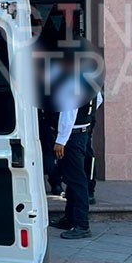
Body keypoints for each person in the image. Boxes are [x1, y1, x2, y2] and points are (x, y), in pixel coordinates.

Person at [50, 89, 103, 238]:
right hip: (81, 134)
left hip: (71, 137)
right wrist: (85, 118)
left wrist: (61, 140)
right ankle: (70, 218)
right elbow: (98, 101)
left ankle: (82, 225)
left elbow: (69, 113)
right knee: (73, 179)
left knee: (76, 181)